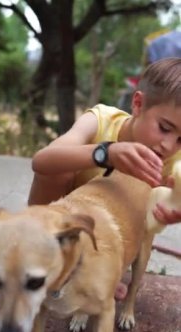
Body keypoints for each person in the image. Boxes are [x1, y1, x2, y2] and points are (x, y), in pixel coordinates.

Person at [28, 57, 181, 300]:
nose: (168, 145)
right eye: (164, 127)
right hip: (65, 223)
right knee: (58, 168)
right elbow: (42, 160)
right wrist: (106, 153)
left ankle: (96, 267)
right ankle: (38, 244)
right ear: (138, 104)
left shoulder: (174, 161)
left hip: (111, 239)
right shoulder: (101, 120)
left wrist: (175, 207)